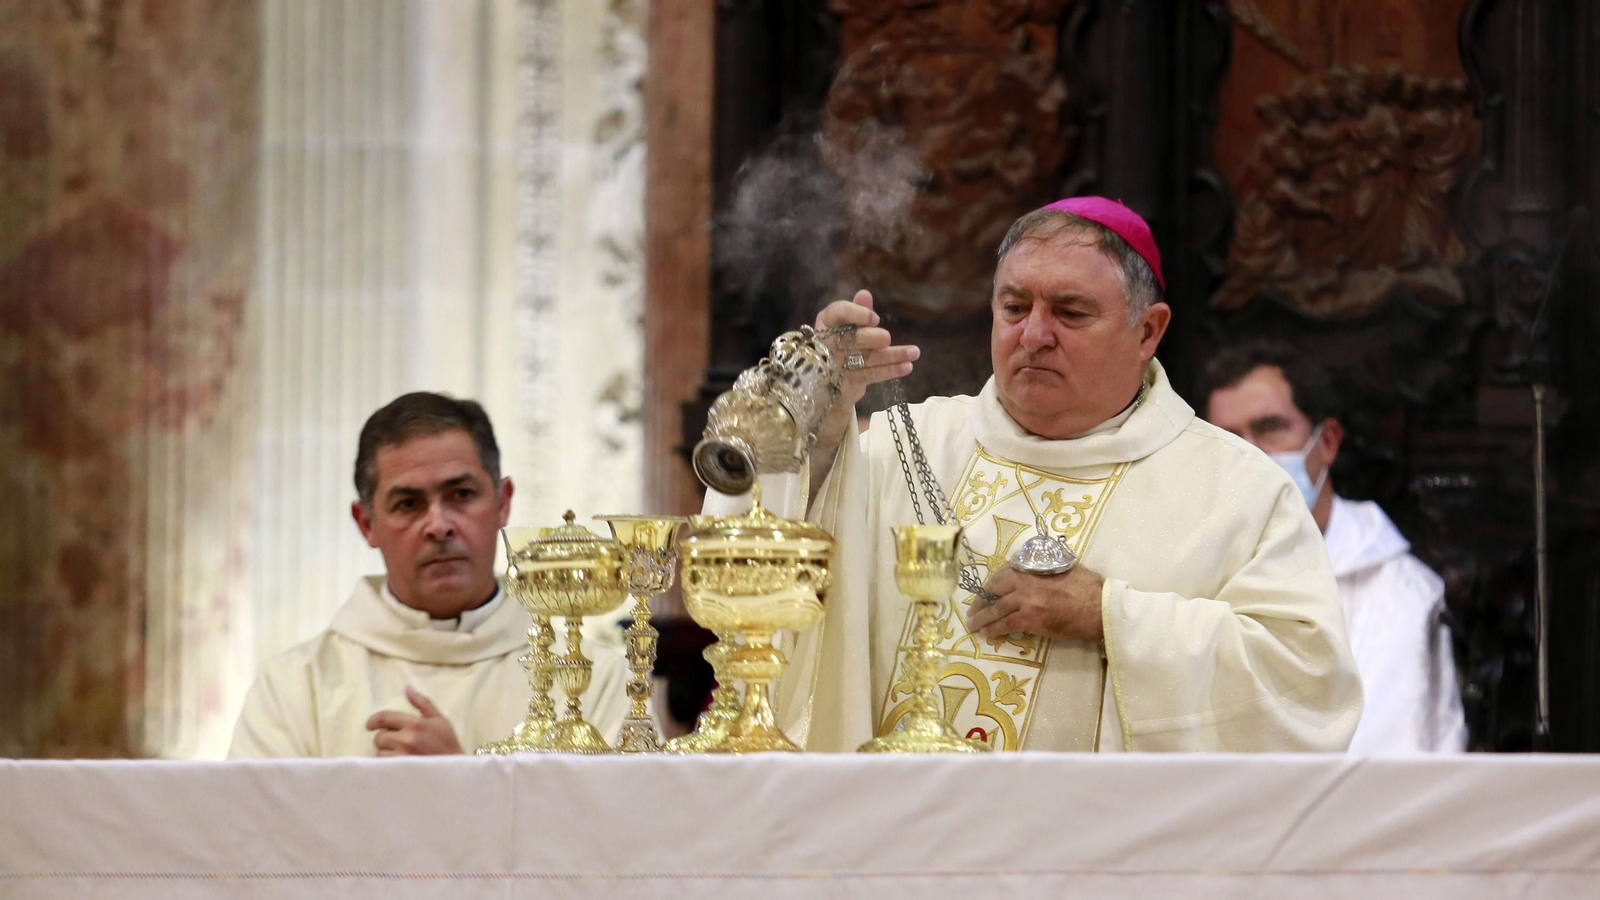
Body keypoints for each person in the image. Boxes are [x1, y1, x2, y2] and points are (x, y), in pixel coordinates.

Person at [731, 197, 1361, 752]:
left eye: (1070, 311)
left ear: (1148, 331)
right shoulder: (903, 446)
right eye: (1015, 307)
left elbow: (1305, 684)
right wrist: (813, 415)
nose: (1034, 334)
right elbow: (765, 565)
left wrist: (1108, 615)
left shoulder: (1238, 491)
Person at [229, 392, 627, 758]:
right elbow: (255, 833)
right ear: (366, 523)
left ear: (503, 503)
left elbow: (621, 832)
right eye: (408, 503)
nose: (439, 525)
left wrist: (460, 785)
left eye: (461, 495)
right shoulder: (296, 689)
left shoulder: (595, 681)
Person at [1201, 342, 1468, 753]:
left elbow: (1396, 745)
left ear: (1326, 441)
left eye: (1270, 428)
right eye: (1227, 439)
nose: (1248, 455)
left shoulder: (1400, 591)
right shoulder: (1188, 578)